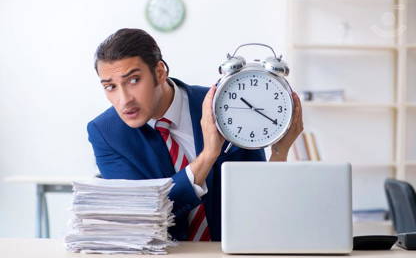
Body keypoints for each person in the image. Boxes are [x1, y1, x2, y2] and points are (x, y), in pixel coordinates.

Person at [87, 28, 303, 241]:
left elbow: (260, 203)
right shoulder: (106, 133)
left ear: (160, 72)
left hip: (231, 255)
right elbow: (140, 217)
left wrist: (279, 152)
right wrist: (208, 155)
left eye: (134, 80)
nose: (124, 100)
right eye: (111, 86)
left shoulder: (226, 106)